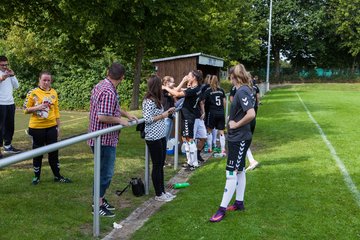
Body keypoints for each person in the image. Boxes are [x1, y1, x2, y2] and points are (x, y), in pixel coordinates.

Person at [88, 62, 138, 217]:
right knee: (105, 173)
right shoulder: (108, 91)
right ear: (122, 77)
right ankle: (97, 204)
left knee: (102, 172)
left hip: (99, 138)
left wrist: (126, 114)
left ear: (108, 72)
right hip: (104, 139)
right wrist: (119, 120)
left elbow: (112, 107)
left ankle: (100, 200)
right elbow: (102, 116)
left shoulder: (102, 85)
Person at [210, 64, 256, 222]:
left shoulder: (242, 90)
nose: (228, 80)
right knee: (241, 170)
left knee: (231, 173)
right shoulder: (244, 89)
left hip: (239, 138)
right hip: (237, 137)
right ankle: (239, 202)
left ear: (234, 77)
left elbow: (251, 113)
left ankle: (221, 209)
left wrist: (236, 124)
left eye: (229, 77)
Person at [23, 71, 71, 185]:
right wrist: (38, 107)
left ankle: (58, 176)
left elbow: (56, 110)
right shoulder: (33, 92)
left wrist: (58, 127)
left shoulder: (54, 92)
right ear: (39, 80)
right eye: (44, 80)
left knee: (53, 152)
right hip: (37, 127)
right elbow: (25, 109)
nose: (46, 82)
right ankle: (36, 177)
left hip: (51, 127)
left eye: (48, 80)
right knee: (38, 152)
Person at [143, 75, 176, 202]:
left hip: (161, 136)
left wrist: (168, 111)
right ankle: (158, 194)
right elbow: (148, 119)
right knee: (157, 165)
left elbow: (158, 115)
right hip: (153, 137)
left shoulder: (156, 99)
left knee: (161, 164)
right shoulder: (148, 101)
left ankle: (162, 191)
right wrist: (163, 115)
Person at [162, 70, 202, 171]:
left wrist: (166, 87)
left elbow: (176, 94)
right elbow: (177, 89)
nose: (187, 76)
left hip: (189, 117)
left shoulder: (192, 90)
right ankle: (189, 162)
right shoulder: (195, 88)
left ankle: (194, 163)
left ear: (194, 78)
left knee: (190, 139)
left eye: (189, 76)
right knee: (185, 139)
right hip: (187, 116)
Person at [0, 55, 21, 158]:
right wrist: (2, 78)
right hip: (0, 104)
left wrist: (12, 75)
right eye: (2, 65)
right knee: (0, 128)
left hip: (10, 103)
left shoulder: (9, 73)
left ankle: (8, 146)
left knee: (10, 126)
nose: (5, 67)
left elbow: (17, 86)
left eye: (6, 64)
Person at [203, 75, 226, 156]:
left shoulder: (208, 91)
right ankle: (223, 150)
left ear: (210, 81)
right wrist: (222, 110)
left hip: (212, 113)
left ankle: (209, 148)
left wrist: (204, 111)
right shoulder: (221, 91)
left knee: (209, 130)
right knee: (221, 131)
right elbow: (224, 102)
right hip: (221, 113)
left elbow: (203, 101)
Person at [245, 76, 261, 171]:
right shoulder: (253, 89)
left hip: (248, 118)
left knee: (242, 140)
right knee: (245, 140)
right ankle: (250, 160)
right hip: (253, 117)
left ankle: (251, 160)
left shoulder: (244, 91)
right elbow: (257, 97)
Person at [161, 76, 175, 142]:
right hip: (165, 118)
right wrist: (183, 81)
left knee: (166, 140)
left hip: (170, 117)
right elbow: (175, 92)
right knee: (163, 139)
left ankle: (163, 152)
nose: (173, 84)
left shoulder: (168, 89)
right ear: (166, 82)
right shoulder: (163, 89)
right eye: (172, 82)